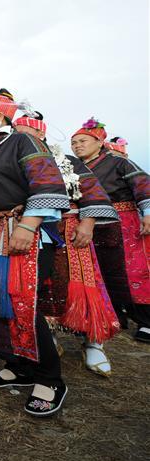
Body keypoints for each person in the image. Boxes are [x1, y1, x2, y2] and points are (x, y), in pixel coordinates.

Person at [0, 89, 70, 417]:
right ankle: (18, 365)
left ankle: (50, 378)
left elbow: (48, 185)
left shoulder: (22, 142)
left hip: (16, 232)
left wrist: (28, 226)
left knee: (22, 302)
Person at [13, 113, 121, 376]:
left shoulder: (68, 161)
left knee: (82, 284)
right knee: (42, 284)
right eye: (16, 134)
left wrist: (88, 222)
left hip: (71, 230)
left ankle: (93, 341)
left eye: (26, 133)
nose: (19, 139)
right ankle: (48, 335)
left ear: (40, 135)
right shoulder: (13, 161)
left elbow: (93, 191)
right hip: (32, 231)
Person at [72, 117, 150, 343]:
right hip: (89, 221)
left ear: (99, 142)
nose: (77, 145)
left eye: (83, 141)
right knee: (96, 269)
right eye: (74, 142)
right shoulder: (74, 168)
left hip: (124, 221)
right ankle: (113, 315)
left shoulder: (119, 162)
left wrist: (147, 213)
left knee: (134, 270)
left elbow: (143, 185)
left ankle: (146, 321)